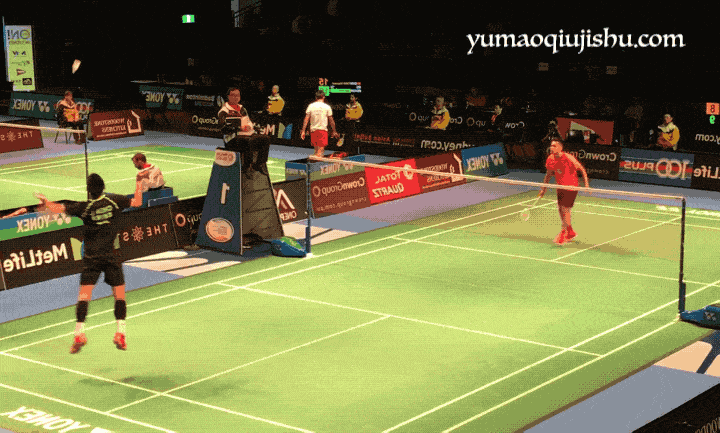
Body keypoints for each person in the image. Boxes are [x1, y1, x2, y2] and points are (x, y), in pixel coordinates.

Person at [36, 173, 143, 353]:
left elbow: (59, 208)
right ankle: (120, 333)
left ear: (89, 190)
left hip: (92, 258)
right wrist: (139, 182)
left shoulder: (84, 207)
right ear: (103, 187)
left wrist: (46, 202)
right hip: (111, 256)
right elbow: (138, 202)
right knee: (119, 295)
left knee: (84, 296)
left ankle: (79, 333)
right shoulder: (115, 201)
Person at [538, 139, 590, 245]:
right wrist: (544, 189)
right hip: (560, 186)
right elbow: (548, 174)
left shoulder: (568, 158)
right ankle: (570, 232)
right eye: (551, 146)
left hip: (571, 187)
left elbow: (582, 169)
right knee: (561, 209)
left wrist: (586, 185)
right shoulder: (551, 159)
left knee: (565, 209)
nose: (551, 147)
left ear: (560, 148)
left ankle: (563, 232)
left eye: (554, 146)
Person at [218, 87, 270, 175]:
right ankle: (246, 168)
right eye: (233, 95)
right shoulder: (223, 111)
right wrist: (238, 128)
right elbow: (223, 128)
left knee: (265, 139)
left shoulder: (242, 109)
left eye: (238, 95)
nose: (236, 97)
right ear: (228, 96)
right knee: (248, 141)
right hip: (232, 139)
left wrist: (251, 127)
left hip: (246, 135)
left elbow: (248, 122)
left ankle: (259, 164)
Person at [301, 90, 340, 158]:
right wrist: (334, 131)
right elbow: (331, 120)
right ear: (324, 97)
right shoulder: (327, 107)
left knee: (316, 152)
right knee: (320, 154)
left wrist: (303, 131)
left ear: (316, 97)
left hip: (313, 131)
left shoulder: (311, 106)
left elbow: (306, 119)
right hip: (322, 131)